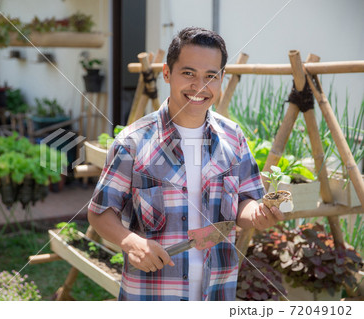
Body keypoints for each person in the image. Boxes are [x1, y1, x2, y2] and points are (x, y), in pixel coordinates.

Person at [87, 27, 284, 301]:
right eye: (188, 73)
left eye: (210, 76)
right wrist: (131, 241)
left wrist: (257, 214)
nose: (199, 87)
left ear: (222, 79)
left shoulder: (233, 138)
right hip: (151, 295)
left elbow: (246, 201)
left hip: (217, 292)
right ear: (167, 73)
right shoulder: (132, 142)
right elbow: (99, 213)